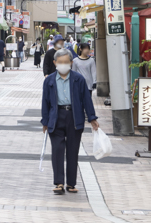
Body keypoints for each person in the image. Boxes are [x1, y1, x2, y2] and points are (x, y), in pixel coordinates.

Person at [41, 48, 100, 194]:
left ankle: (71, 184)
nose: (63, 65)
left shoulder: (79, 79)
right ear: (55, 62)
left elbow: (86, 100)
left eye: (66, 62)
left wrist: (92, 118)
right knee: (57, 150)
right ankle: (59, 183)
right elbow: (45, 102)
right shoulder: (49, 80)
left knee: (73, 151)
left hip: (74, 117)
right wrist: (45, 121)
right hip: (56, 117)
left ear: (71, 63)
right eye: (60, 62)